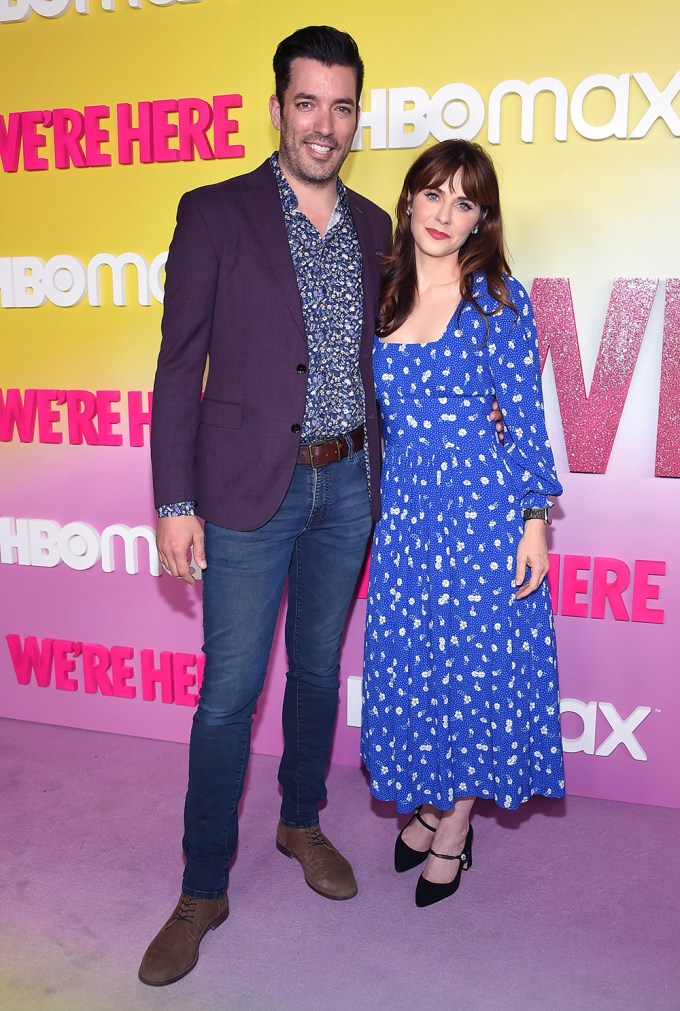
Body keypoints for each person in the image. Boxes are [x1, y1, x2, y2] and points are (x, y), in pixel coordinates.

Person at [139, 26, 392, 987]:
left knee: (321, 671)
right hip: (246, 489)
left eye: (341, 106)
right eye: (306, 102)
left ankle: (300, 821)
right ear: (276, 105)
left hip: (350, 485)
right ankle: (203, 887)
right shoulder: (214, 212)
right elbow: (176, 370)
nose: (323, 124)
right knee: (230, 694)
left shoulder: (377, 228)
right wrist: (175, 499)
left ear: (354, 115)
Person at [361, 140, 565, 908]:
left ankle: (455, 827)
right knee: (419, 667)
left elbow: (527, 421)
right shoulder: (382, 292)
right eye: (434, 194)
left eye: (465, 202)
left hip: (482, 514)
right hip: (408, 519)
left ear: (483, 218)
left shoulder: (499, 301)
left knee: (478, 672)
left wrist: (534, 520)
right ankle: (430, 797)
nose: (445, 214)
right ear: (410, 198)